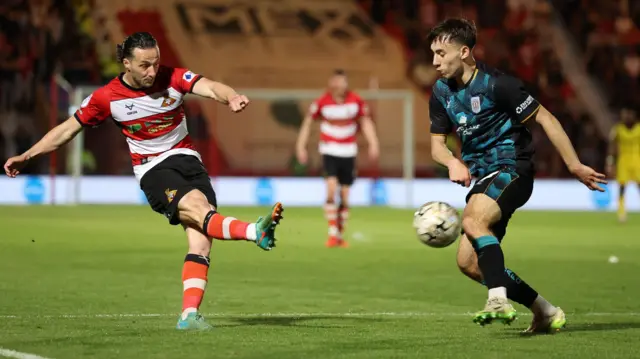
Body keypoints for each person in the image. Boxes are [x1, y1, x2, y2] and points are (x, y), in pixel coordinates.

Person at [3, 32, 284, 331]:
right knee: (197, 210)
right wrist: (28, 154)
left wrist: (231, 96)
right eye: (144, 65)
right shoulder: (107, 98)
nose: (152, 71)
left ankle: (189, 316)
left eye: (156, 63)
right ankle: (255, 231)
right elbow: (67, 130)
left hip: (189, 161)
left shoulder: (174, 78)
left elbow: (210, 86)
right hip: (153, 169)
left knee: (201, 242)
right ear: (126, 63)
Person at [426, 19, 606, 332]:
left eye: (441, 53)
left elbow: (546, 119)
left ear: (465, 51)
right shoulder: (441, 92)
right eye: (433, 53)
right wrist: (452, 161)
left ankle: (497, 299)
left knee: (472, 221)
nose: (434, 61)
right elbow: (436, 146)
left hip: (513, 168)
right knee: (468, 263)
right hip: (483, 178)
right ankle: (545, 310)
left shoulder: (498, 85)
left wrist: (574, 164)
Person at [295, 69, 379, 248]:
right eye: (339, 82)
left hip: (349, 151)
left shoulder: (356, 101)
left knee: (345, 195)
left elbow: (365, 122)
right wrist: (300, 146)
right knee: (331, 188)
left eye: (344, 82)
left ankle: (340, 234)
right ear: (332, 84)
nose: (342, 86)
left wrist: (373, 143)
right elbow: (308, 123)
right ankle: (332, 233)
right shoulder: (322, 102)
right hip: (329, 150)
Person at [606, 107, 640, 223]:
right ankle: (621, 214)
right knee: (622, 188)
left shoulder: (639, 129)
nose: (627, 117)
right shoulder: (618, 130)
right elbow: (612, 146)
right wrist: (610, 162)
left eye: (629, 114)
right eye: (625, 115)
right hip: (623, 161)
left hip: (637, 161)